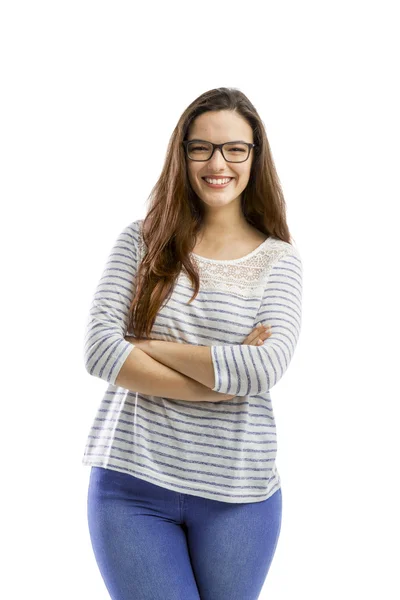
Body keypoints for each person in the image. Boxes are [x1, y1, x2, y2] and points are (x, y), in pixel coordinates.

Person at [83, 87, 303, 600]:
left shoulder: (279, 262)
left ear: (255, 157)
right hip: (132, 486)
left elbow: (262, 369)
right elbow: (98, 350)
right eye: (200, 147)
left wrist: (145, 345)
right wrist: (215, 386)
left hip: (240, 495)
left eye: (234, 148)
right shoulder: (141, 241)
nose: (216, 162)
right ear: (181, 156)